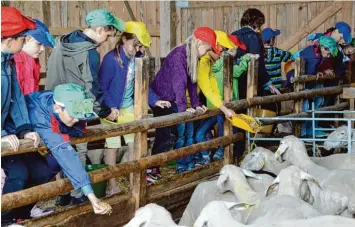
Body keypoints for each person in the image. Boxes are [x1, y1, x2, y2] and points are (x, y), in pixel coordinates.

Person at [45, 9, 125, 205]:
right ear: (99, 29)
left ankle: (62, 193)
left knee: (60, 147)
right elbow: (91, 87)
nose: (107, 39)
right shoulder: (89, 53)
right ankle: (77, 194)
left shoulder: (63, 42)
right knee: (78, 149)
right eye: (108, 33)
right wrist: (106, 112)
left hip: (54, 102)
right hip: (77, 106)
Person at [25, 83, 112, 215]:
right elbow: (66, 154)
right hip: (11, 138)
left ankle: (23, 211)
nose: (76, 119)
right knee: (20, 174)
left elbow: (76, 129)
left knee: (47, 168)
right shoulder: (40, 115)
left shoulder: (61, 104)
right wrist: (92, 197)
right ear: (58, 108)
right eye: (73, 115)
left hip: (36, 142)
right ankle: (8, 217)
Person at [147, 27, 218, 180]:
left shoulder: (192, 57)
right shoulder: (179, 55)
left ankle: (178, 165)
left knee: (180, 132)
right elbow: (179, 83)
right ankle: (151, 167)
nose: (207, 53)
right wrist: (184, 109)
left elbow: (192, 83)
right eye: (207, 49)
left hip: (171, 100)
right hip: (161, 99)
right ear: (199, 43)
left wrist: (196, 104)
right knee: (168, 135)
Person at [1, 6, 50, 224]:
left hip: (9, 130)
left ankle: (19, 216)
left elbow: (17, 99)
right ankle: (4, 219)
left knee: (41, 170)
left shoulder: (8, 61)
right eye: (22, 37)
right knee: (18, 174)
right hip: (2, 133)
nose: (24, 41)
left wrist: (25, 128)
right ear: (10, 39)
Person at [99, 21, 151, 194]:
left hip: (129, 107)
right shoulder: (111, 59)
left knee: (134, 144)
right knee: (112, 146)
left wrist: (155, 100)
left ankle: (134, 181)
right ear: (124, 39)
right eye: (134, 44)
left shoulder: (136, 59)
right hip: (112, 109)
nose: (136, 48)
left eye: (138, 45)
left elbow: (143, 84)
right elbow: (102, 87)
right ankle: (112, 186)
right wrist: (109, 108)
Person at [230, 8, 281, 158]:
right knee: (250, 112)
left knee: (235, 114)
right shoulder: (253, 37)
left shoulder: (233, 35)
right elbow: (258, 63)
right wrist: (267, 83)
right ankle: (249, 148)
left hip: (232, 81)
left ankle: (235, 150)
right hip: (248, 83)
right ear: (256, 22)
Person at [194, 31, 247, 166]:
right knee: (224, 129)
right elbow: (207, 87)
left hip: (213, 103)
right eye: (227, 49)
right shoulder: (208, 62)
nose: (223, 53)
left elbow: (211, 85)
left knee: (205, 131)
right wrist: (246, 60)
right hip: (216, 104)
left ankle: (211, 153)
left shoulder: (210, 62)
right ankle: (216, 152)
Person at [295, 36, 338, 137]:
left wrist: (324, 70)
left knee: (319, 101)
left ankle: (313, 128)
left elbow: (320, 65)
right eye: (328, 53)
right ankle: (304, 132)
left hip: (313, 81)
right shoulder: (311, 54)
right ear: (323, 48)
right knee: (305, 105)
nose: (328, 56)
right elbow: (310, 69)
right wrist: (318, 72)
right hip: (302, 83)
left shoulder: (318, 53)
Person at [14, 19, 55, 95]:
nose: (42, 49)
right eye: (39, 44)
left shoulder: (33, 60)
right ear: (26, 39)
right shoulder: (15, 61)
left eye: (44, 45)